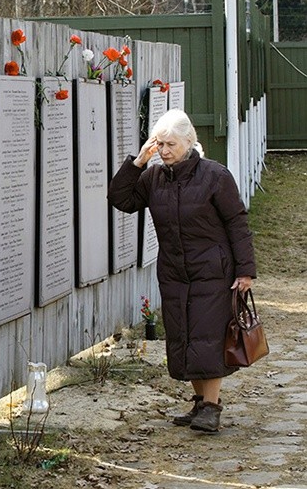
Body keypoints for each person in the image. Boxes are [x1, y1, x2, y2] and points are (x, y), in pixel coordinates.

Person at [108, 109, 256, 432]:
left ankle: (212, 407)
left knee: (207, 338)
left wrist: (245, 271)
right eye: (159, 144)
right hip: (175, 273)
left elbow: (237, 222)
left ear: (189, 142)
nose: (163, 151)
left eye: (170, 144)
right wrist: (138, 162)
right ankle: (200, 403)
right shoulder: (153, 178)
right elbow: (120, 198)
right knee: (184, 337)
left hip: (213, 272)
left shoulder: (215, 177)